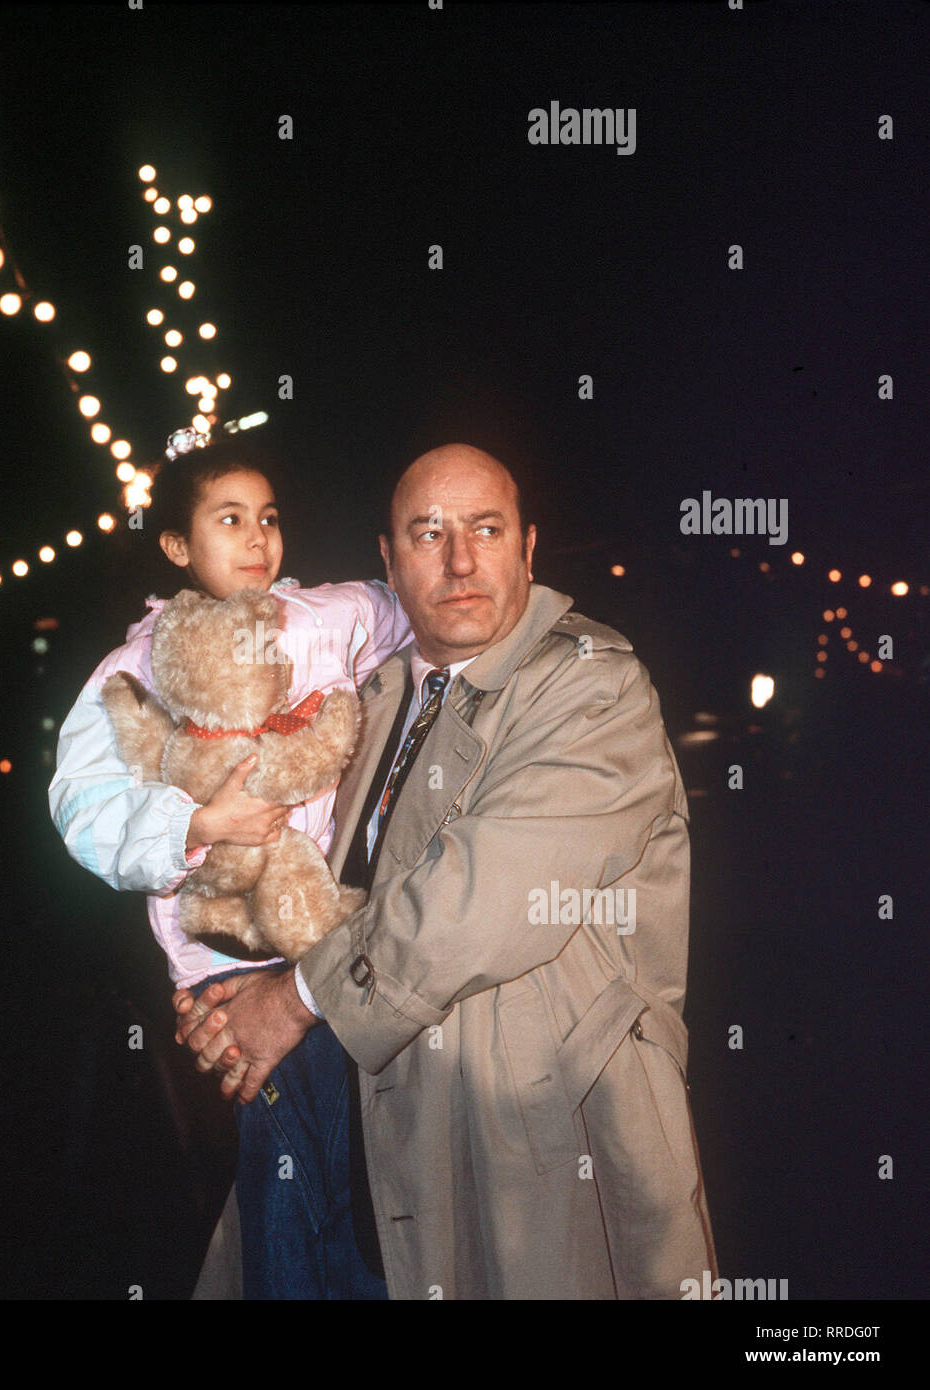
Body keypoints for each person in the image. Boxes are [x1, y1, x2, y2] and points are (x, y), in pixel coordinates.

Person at [176, 442, 719, 1299]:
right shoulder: (367, 694)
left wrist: (292, 1001)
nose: (460, 560)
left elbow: (479, 896)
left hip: (529, 1155)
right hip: (360, 1166)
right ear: (387, 563)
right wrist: (225, 986)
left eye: (486, 530)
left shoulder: (594, 686)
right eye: (428, 534)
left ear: (529, 549)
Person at [47, 427, 410, 1298]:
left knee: (357, 1184)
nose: (258, 538)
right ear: (178, 545)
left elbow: (397, 610)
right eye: (231, 519)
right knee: (288, 1181)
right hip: (227, 962)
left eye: (270, 518)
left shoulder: (319, 618)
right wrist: (195, 822)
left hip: (326, 939)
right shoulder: (138, 665)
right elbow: (80, 803)